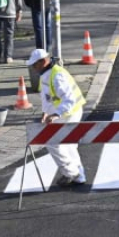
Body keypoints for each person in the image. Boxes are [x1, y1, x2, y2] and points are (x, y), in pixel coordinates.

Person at [27, 49, 87, 187]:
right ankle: (79, 176)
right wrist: (45, 113)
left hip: (69, 113)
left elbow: (69, 100)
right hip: (66, 112)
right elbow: (47, 97)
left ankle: (71, 173)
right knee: (69, 144)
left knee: (52, 141)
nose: (33, 68)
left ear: (43, 61)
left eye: (34, 65)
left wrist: (55, 114)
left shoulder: (57, 75)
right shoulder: (46, 73)